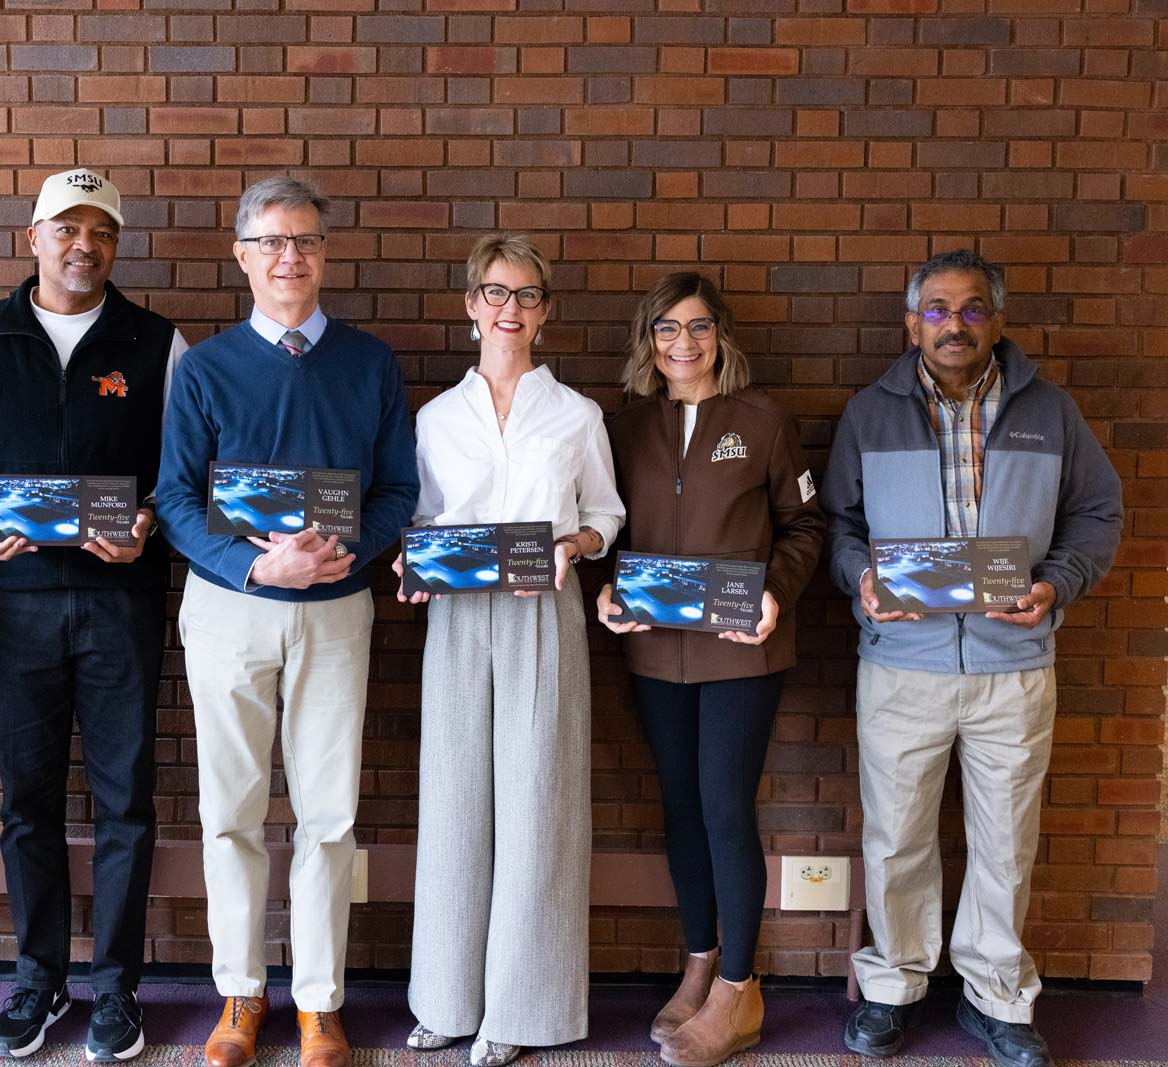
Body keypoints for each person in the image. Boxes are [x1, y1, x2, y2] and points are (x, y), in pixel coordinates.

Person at [825, 249, 1122, 1067]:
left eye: (971, 308)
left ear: (996, 318)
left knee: (1004, 839)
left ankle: (996, 993)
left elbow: (1099, 513)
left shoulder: (1050, 411)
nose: (953, 324)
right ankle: (891, 986)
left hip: (1013, 663)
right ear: (911, 321)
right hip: (902, 662)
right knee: (896, 836)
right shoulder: (870, 414)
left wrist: (1055, 586)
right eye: (936, 309)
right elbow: (840, 528)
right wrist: (863, 581)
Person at [0, 168, 188, 1061]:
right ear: (34, 238)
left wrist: (150, 514)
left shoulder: (157, 341)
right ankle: (38, 976)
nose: (84, 246)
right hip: (19, 601)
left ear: (116, 245)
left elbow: (188, 463)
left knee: (125, 801)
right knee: (28, 802)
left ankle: (115, 987)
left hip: (122, 600)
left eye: (101, 232)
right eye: (66, 229)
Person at [154, 175, 419, 1067]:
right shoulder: (206, 368)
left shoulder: (370, 363)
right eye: (270, 241)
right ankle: (240, 992)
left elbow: (396, 490)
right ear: (243, 255)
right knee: (229, 812)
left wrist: (350, 554)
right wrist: (253, 562)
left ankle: (318, 1001)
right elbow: (176, 501)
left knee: (328, 816)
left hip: (337, 611)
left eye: (303, 240)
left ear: (324, 253)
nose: (288, 256)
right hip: (230, 609)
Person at [398, 234, 624, 1067]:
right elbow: (420, 520)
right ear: (470, 305)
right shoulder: (435, 417)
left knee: (538, 805)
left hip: (543, 614)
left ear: (545, 312)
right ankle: (447, 999)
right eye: (496, 292)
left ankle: (521, 1011)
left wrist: (576, 545)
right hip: (457, 617)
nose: (510, 309)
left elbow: (607, 515)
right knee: (455, 801)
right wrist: (413, 564)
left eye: (527, 296)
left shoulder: (577, 415)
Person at [594, 272, 825, 1067]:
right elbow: (609, 533)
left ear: (720, 335)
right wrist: (609, 594)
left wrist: (775, 591)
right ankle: (697, 962)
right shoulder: (623, 428)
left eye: (697, 328)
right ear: (648, 340)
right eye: (666, 329)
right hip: (656, 650)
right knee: (681, 805)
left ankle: (739, 985)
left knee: (726, 803)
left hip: (743, 649)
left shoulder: (762, 421)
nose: (682, 344)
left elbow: (803, 526)